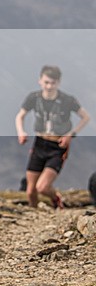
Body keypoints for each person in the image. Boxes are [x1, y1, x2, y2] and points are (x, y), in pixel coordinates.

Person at [15, 65, 90, 208]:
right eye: (46, 82)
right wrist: (21, 132)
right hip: (39, 143)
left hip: (58, 146)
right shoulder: (34, 98)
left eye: (53, 83)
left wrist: (71, 134)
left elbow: (85, 117)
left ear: (58, 83)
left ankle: (56, 199)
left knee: (42, 187)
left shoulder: (68, 100)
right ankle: (34, 214)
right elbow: (20, 116)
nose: (49, 86)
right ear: (40, 81)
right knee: (30, 191)